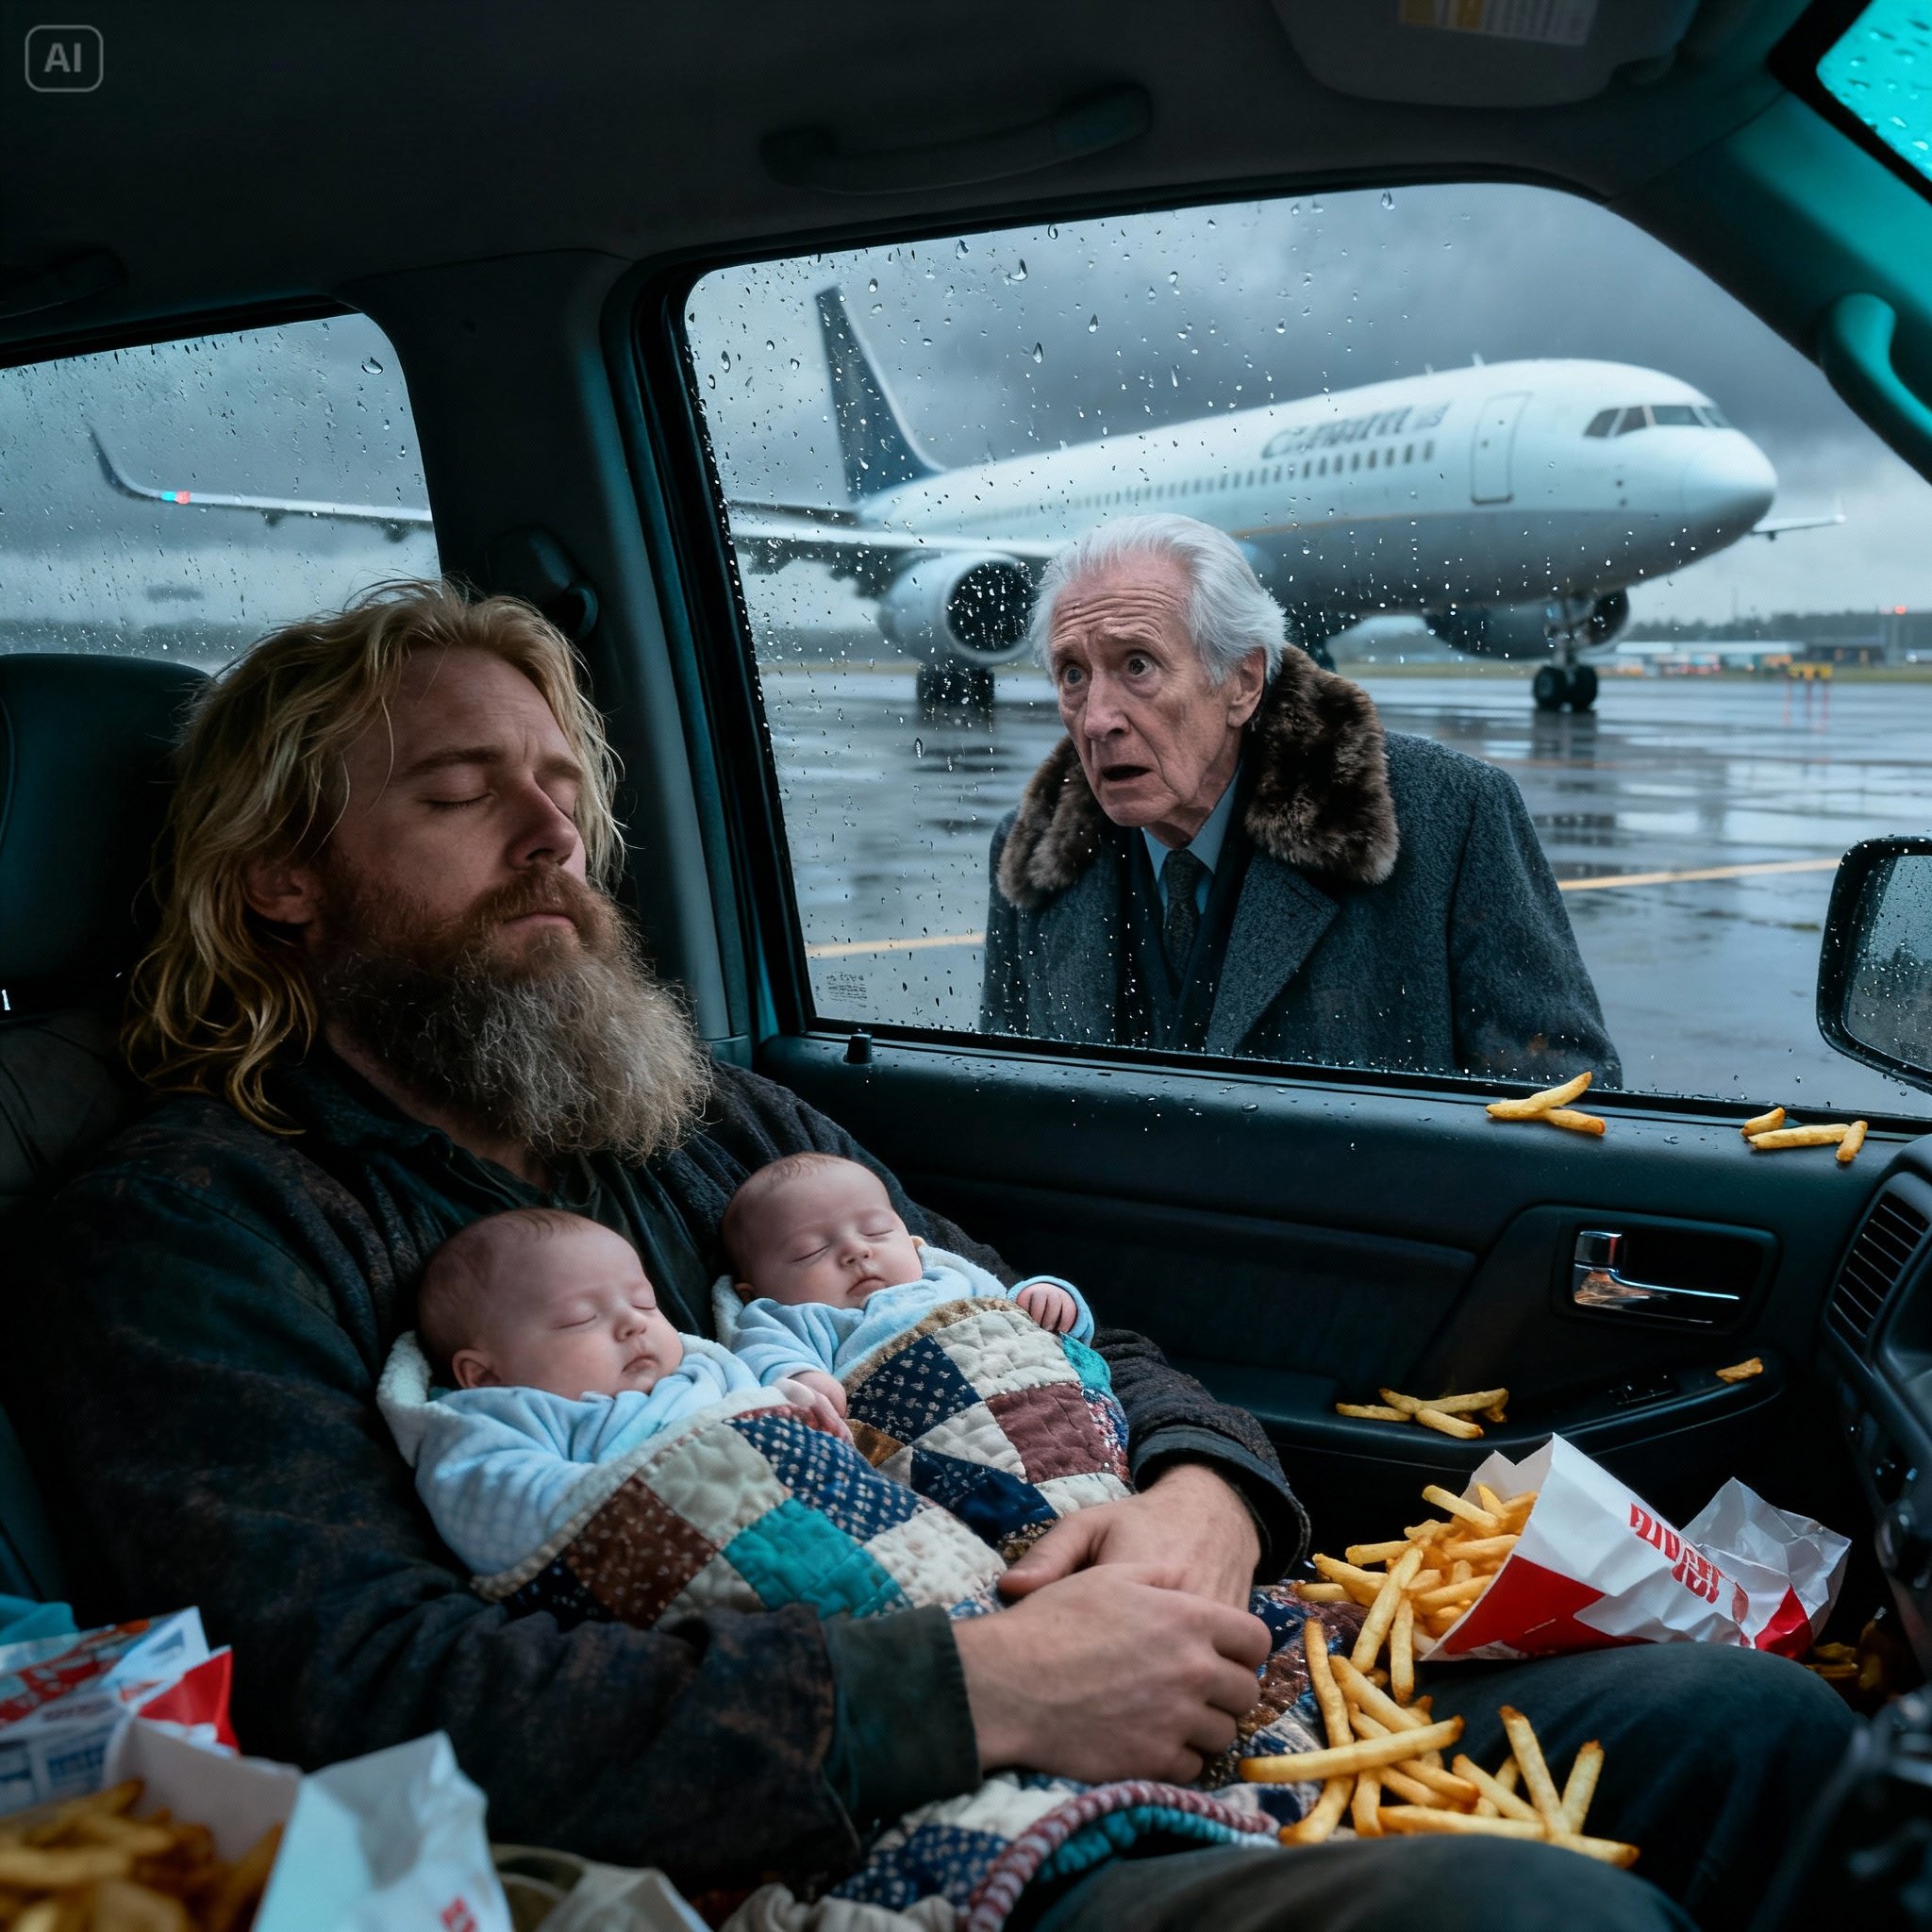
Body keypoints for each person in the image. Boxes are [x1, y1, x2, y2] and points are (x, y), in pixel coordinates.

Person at [7, 580, 1846, 1932]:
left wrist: (1204, 1496)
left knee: (1743, 1723)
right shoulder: (193, 1220)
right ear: (282, 877)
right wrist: (985, 1694)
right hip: (808, 1819)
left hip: (1113, 1659)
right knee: (1532, 1931)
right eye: (460, 793)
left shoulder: (686, 1113)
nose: (554, 834)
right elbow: (355, 1689)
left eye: (562, 787)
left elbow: (1032, 1324)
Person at [980, 515, 1621, 1086]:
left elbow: (1557, 1096)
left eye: (1138, 665)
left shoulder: (1449, 816)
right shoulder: (1031, 853)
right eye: (1073, 675)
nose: (1096, 721)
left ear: (1243, 681)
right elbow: (1003, 1109)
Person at [380, 1207, 848, 1578]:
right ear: (485, 1376)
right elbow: (491, 1502)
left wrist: (793, 1400)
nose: (634, 1322)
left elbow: (758, 1405)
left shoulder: (702, 1371)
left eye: (644, 1301)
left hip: (808, 1519)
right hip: (673, 1554)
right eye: (580, 1319)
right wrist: (634, 1496)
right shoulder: (504, 1417)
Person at [720, 1151, 1090, 1417]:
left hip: (1036, 1394)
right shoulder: (793, 1319)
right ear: (755, 1293)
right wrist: (800, 1380)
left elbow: (1011, 1311)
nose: (856, 1250)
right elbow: (761, 1356)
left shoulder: (948, 1276)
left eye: (876, 1231)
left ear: (912, 1241)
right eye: (809, 1252)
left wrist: (1049, 1298)